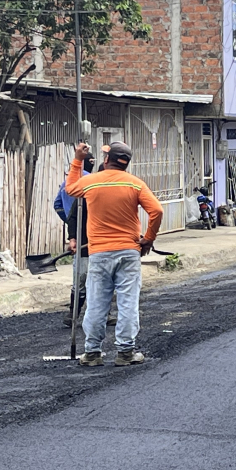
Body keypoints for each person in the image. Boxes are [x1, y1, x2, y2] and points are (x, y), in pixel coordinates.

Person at [65, 142, 163, 367]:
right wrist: (148, 238)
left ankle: (92, 353)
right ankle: (125, 353)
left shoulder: (90, 182)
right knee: (128, 302)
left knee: (97, 303)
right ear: (126, 163)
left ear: (107, 160)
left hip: (98, 253)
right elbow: (156, 210)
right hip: (128, 252)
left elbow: (70, 188)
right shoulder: (135, 184)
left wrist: (78, 159)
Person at [65, 178, 118, 328]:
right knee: (80, 281)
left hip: (104, 247)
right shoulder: (85, 195)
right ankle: (73, 315)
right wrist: (73, 238)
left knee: (103, 282)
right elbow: (72, 218)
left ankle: (105, 314)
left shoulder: (114, 198)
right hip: (84, 246)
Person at [56, 154, 94, 328]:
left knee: (84, 280)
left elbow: (58, 205)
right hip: (89, 244)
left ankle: (76, 314)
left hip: (88, 242)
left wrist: (73, 234)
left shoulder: (71, 182)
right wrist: (74, 235)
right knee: (96, 281)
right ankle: (74, 314)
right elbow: (73, 216)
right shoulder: (88, 184)